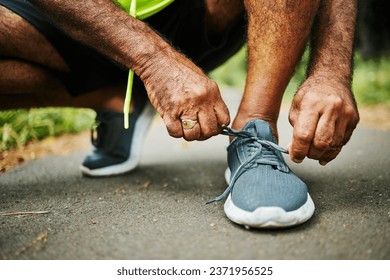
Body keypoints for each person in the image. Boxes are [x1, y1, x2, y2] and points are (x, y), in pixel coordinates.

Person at [0, 0, 359, 228]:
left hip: (194, 12)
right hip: (63, 17)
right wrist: (154, 62)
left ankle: (256, 126)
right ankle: (112, 99)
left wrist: (332, 70)